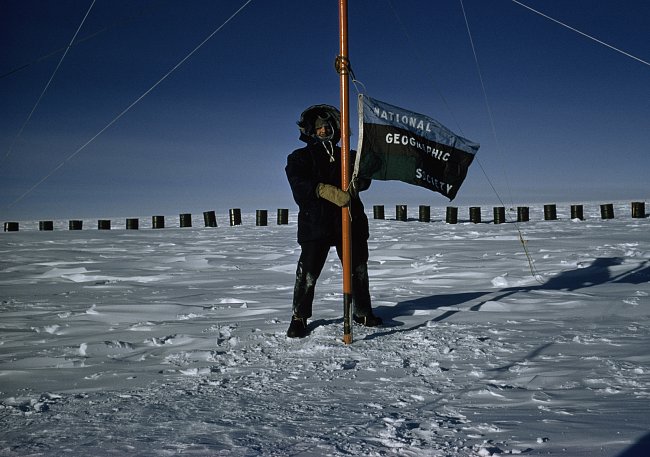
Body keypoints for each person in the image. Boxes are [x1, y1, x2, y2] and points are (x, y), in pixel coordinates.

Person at [285, 104, 383, 338]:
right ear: (310, 130)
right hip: (315, 223)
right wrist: (322, 190)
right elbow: (298, 183)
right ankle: (299, 317)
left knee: (357, 269)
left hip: (349, 221)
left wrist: (359, 180)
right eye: (319, 127)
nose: (324, 130)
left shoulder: (348, 155)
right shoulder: (300, 157)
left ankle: (362, 311)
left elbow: (366, 177)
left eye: (328, 126)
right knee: (308, 272)